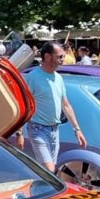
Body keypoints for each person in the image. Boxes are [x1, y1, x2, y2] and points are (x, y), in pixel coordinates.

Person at [16, 43, 86, 173]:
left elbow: (65, 105)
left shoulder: (58, 78)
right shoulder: (33, 77)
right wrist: (19, 133)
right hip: (38, 129)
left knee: (50, 172)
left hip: (55, 130)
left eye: (63, 56)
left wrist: (77, 130)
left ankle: (39, 190)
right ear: (47, 57)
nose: (63, 60)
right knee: (49, 169)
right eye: (60, 56)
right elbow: (23, 105)